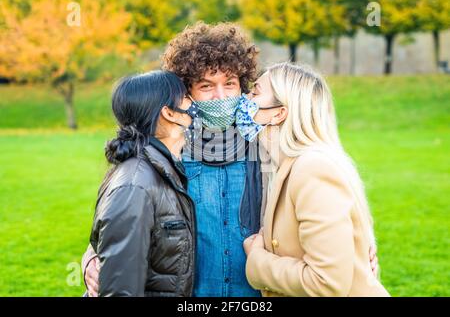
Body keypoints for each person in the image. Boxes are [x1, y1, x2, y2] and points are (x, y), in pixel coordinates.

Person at [82, 22, 379, 297]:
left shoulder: (272, 152)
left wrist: (357, 249)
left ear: (244, 87)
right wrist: (90, 259)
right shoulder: (168, 154)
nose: (220, 96)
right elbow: (124, 219)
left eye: (230, 84)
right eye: (206, 86)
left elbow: (328, 210)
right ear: (187, 94)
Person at [241, 62, 389, 297]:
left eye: (255, 92)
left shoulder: (312, 169)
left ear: (279, 113)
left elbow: (327, 282)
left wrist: (257, 261)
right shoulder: (282, 167)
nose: (244, 99)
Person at [87, 70, 199, 296]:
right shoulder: (135, 187)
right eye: (187, 97)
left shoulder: (162, 167)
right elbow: (120, 290)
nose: (194, 102)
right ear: (169, 112)